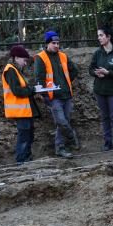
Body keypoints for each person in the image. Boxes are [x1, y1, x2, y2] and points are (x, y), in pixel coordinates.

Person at [34, 30, 79, 158]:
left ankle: (60, 148)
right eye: (54, 43)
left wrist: (65, 82)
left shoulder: (63, 56)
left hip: (67, 95)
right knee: (62, 122)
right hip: (53, 98)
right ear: (47, 43)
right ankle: (71, 137)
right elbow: (39, 79)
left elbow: (74, 71)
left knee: (63, 123)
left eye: (58, 43)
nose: (56, 45)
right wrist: (45, 96)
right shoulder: (40, 58)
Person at [89, 26, 113, 154]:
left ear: (109, 37)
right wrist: (96, 73)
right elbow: (90, 69)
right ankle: (107, 143)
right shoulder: (97, 53)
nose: (99, 38)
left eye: (101, 35)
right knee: (104, 117)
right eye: (98, 35)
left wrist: (108, 72)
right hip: (100, 91)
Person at [2, 45, 40, 166]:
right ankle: (21, 160)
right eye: (24, 60)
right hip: (20, 111)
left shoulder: (16, 70)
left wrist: (31, 89)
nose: (25, 63)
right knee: (24, 136)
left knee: (29, 134)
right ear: (16, 58)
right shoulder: (10, 70)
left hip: (25, 110)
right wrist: (33, 89)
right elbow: (17, 91)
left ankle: (26, 158)